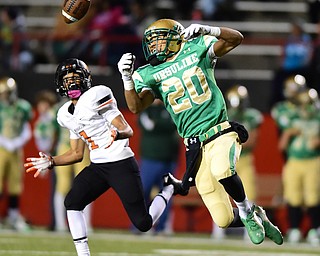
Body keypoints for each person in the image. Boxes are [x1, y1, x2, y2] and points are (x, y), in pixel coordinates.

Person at [117, 18, 283, 245]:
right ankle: (257, 214)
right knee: (222, 218)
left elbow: (236, 38)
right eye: (151, 43)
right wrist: (126, 79)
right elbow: (136, 106)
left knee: (223, 169)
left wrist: (210, 29)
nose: (153, 47)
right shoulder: (150, 73)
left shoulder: (195, 49)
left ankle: (245, 211)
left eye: (158, 41)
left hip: (220, 131)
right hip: (194, 145)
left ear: (174, 39)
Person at [24, 58, 180, 256]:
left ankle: (170, 188)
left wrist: (118, 134)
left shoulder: (98, 94)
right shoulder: (64, 113)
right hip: (98, 166)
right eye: (67, 79)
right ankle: (83, 254)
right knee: (72, 202)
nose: (71, 83)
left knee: (143, 223)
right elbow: (77, 153)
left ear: (86, 79)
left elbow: (127, 129)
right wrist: (52, 161)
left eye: (75, 77)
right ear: (59, 83)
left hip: (120, 162)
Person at [271, 76, 320, 245]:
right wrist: (288, 133)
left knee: (313, 196)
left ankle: (315, 229)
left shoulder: (315, 115)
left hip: (312, 159)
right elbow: (282, 142)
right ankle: (294, 229)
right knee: (293, 196)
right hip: (294, 159)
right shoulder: (288, 113)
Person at [212, 84, 263, 240]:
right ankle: (218, 231)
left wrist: (231, 141)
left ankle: (251, 233)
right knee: (221, 195)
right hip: (227, 158)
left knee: (249, 195)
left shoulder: (251, 116)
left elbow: (252, 141)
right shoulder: (225, 114)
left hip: (244, 159)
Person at [135, 98, 180, 235]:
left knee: (166, 194)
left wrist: (159, 124)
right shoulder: (145, 110)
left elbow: (173, 125)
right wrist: (164, 125)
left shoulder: (171, 108)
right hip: (150, 159)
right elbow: (149, 126)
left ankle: (163, 226)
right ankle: (142, 225)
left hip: (169, 158)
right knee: (143, 193)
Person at [0, 76, 32, 231]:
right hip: (0, 148)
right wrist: (5, 142)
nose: (3, 96)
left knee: (15, 185)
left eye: (5, 93)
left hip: (16, 149)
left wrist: (17, 142)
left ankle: (13, 218)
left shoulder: (22, 106)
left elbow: (26, 127)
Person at [33, 90, 60, 230]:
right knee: (54, 189)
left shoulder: (52, 116)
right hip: (49, 155)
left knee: (58, 189)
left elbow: (55, 135)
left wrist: (49, 154)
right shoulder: (43, 118)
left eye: (43, 104)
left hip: (56, 156)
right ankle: (55, 221)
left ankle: (57, 222)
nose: (40, 107)